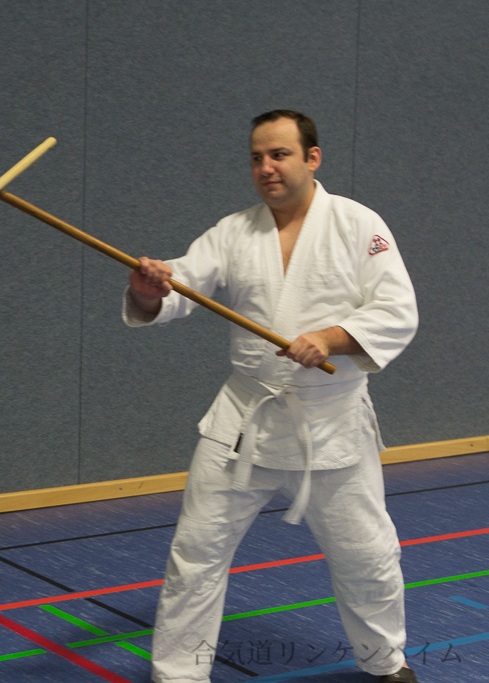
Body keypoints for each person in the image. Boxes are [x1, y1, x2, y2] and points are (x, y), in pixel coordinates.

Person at [124, 111, 419, 683]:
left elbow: (397, 310)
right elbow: (181, 284)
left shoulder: (358, 225)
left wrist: (330, 338)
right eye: (257, 157)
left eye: (280, 154)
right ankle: (179, 674)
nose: (266, 168)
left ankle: (386, 662)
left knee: (368, 557)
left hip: (331, 423)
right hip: (243, 423)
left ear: (312, 158)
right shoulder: (235, 231)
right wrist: (150, 290)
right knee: (196, 555)